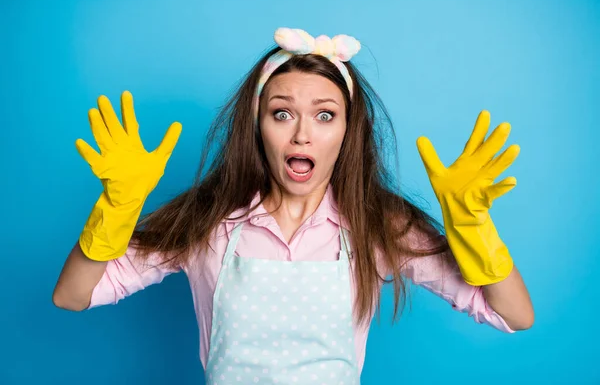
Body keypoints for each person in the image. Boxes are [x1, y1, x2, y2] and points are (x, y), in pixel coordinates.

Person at [53, 27, 534, 384]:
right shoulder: (208, 222)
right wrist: (114, 210)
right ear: (256, 124)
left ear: (348, 132)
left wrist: (473, 228)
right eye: (282, 113)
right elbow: (72, 295)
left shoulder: (377, 226)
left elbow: (513, 314)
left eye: (325, 115)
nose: (302, 133)